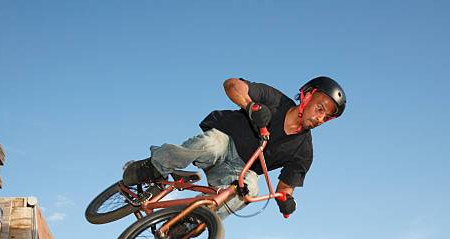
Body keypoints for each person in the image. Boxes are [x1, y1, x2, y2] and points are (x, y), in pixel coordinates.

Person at [122, 76, 346, 219]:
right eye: (320, 108)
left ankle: (192, 224)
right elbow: (232, 84)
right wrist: (251, 106)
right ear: (306, 97)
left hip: (238, 171)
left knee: (251, 188)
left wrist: (287, 201)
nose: (320, 118)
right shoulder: (275, 99)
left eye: (326, 117)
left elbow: (285, 188)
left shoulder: (304, 151)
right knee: (211, 145)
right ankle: (150, 167)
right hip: (226, 141)